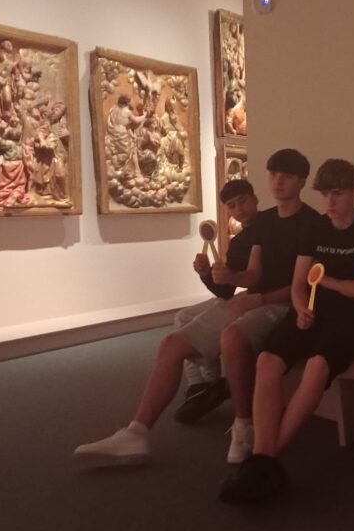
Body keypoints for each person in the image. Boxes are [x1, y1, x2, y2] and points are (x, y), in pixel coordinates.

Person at [219, 159, 354, 504]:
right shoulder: (315, 228)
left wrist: (324, 281)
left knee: (316, 366)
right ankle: (263, 459)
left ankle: (264, 460)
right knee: (267, 360)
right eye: (325, 194)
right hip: (310, 310)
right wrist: (301, 305)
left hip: (351, 317)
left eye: (338, 194)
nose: (330, 202)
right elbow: (298, 283)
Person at [73, 176, 261, 466]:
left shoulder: (268, 229)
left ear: (255, 199)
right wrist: (207, 274)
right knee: (182, 317)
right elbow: (225, 291)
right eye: (233, 206)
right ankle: (203, 385)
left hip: (258, 300)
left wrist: (240, 283)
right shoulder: (239, 242)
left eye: (243, 202)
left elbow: (254, 279)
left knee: (174, 343)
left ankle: (146, 425)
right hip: (246, 296)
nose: (240, 209)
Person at [218, 149, 321, 461]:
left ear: (302, 181)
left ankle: (243, 423)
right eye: (274, 174)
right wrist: (230, 276)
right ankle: (235, 412)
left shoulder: (313, 223)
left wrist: (260, 299)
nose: (278, 182)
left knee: (232, 336)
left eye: (286, 176)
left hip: (290, 303)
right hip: (261, 299)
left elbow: (305, 283)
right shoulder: (263, 221)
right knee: (196, 328)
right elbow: (253, 273)